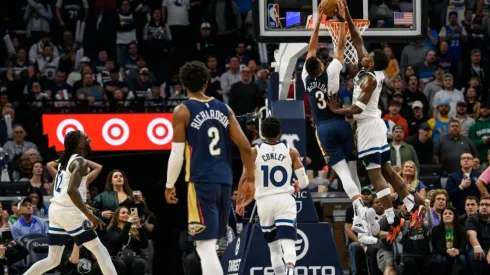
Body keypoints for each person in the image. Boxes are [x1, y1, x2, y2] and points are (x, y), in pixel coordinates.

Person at [328, 0, 424, 243]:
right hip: (375, 126)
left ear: (371, 63)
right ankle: (413, 205)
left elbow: (357, 107)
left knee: (375, 177)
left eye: (368, 56)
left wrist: (336, 109)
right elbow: (358, 40)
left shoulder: (371, 80)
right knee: (387, 171)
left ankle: (392, 220)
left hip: (369, 126)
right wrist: (347, 16)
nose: (364, 55)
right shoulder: (369, 68)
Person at [164, 61, 254, 275]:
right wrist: (250, 178)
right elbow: (245, 147)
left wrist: (169, 185)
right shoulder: (225, 109)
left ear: (184, 84)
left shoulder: (183, 110)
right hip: (224, 181)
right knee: (211, 244)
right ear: (207, 82)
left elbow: (176, 154)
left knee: (204, 246)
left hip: (201, 181)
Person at [303, 0, 366, 233]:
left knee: (340, 172)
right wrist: (339, 23)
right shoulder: (330, 71)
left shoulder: (306, 78)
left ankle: (357, 204)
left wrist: (318, 23)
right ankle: (360, 212)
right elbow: (339, 48)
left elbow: (310, 49)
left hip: (324, 129)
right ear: (320, 64)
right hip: (341, 123)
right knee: (352, 168)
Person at [24, 130, 117, 275]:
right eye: (86, 138)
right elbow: (71, 191)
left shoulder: (64, 162)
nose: (89, 139)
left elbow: (59, 187)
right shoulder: (79, 161)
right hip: (69, 212)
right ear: (81, 144)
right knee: (100, 251)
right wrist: (89, 215)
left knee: (52, 260)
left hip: (56, 210)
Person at [236, 117, 308, 275]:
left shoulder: (255, 151)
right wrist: (298, 185)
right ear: (280, 132)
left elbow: (244, 179)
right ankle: (290, 269)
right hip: (284, 199)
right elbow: (304, 181)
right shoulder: (291, 151)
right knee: (288, 242)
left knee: (274, 248)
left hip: (264, 202)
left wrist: (239, 202)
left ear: (262, 132)